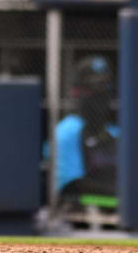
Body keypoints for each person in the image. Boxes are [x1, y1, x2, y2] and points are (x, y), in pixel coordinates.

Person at [56, 55, 118, 204]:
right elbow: (72, 186)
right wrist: (122, 194)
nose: (101, 95)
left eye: (105, 88)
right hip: (83, 213)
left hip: (121, 210)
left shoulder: (117, 132)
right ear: (77, 92)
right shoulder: (67, 131)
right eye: (94, 90)